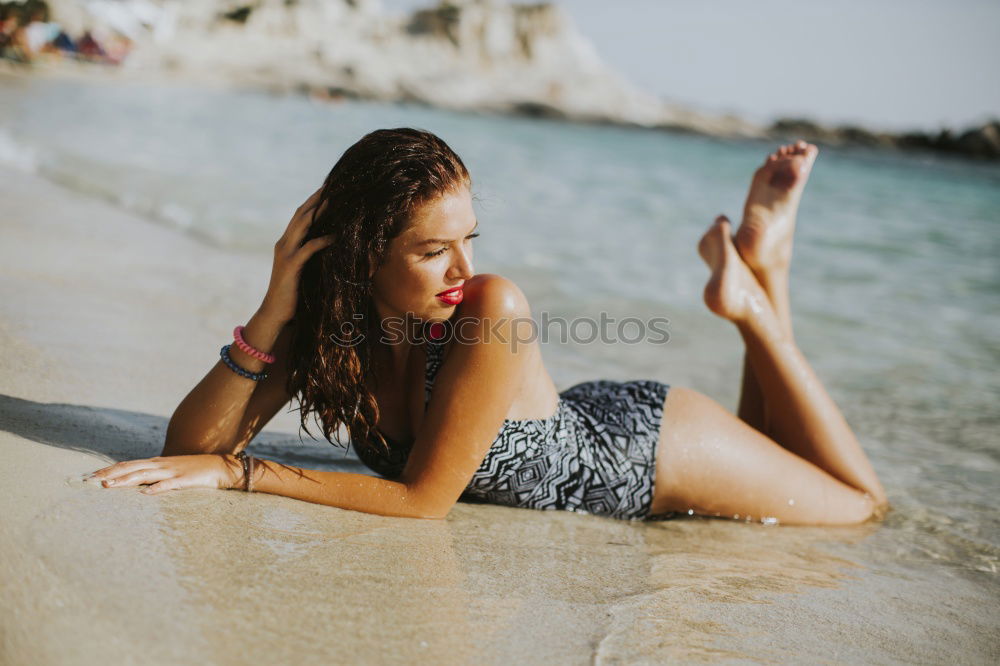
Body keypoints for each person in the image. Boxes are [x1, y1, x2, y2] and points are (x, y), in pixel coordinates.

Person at [89, 129, 889, 525]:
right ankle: (759, 264)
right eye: (434, 250)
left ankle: (757, 300)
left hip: (644, 452)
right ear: (362, 256)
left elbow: (421, 502)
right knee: (777, 443)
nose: (462, 271)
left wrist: (243, 475)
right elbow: (187, 447)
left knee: (860, 509)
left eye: (469, 239)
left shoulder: (487, 308)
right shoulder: (326, 325)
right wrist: (272, 312)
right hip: (585, 421)